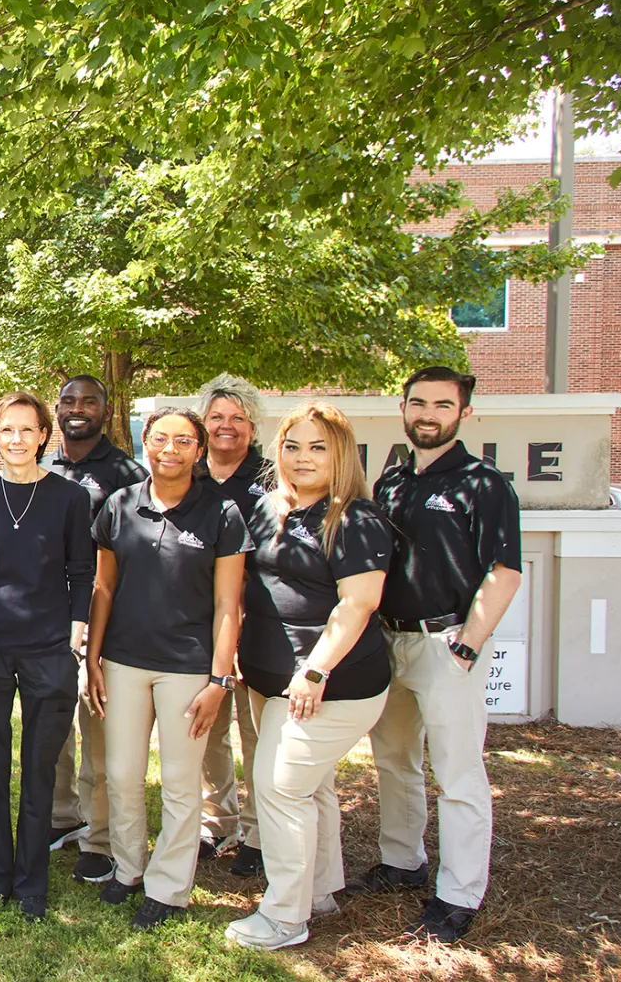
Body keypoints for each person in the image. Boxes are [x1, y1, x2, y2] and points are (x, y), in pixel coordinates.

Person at [353, 367, 522, 942]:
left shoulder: (484, 484)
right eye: (418, 402)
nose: (428, 413)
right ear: (403, 406)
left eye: (442, 405)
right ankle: (403, 861)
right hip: (388, 640)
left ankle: (459, 892)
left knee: (457, 773)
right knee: (394, 759)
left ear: (463, 413)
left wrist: (469, 644)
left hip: (446, 641)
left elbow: (504, 573)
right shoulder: (393, 481)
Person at [225, 401, 392, 951]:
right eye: (293, 446)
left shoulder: (355, 518)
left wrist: (314, 671)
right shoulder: (269, 509)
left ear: (340, 454)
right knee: (311, 789)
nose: (302, 458)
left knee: (279, 788)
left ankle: (284, 917)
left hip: (329, 685)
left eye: (318, 447)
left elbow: (359, 603)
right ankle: (319, 890)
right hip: (269, 680)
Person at [83, 408, 251, 929]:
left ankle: (169, 886)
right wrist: (93, 657)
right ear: (145, 444)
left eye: (183, 441)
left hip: (188, 669)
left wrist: (220, 680)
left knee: (180, 783)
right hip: (124, 662)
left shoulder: (221, 514)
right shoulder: (119, 505)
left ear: (199, 450)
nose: (170, 449)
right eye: (160, 439)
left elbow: (229, 606)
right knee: (122, 774)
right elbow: (104, 586)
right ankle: (129, 869)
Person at [0, 392, 94, 920]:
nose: (15, 439)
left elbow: (82, 571)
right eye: (5, 430)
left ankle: (32, 885)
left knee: (38, 769)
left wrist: (76, 636)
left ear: (43, 435)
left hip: (49, 649)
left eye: (26, 430)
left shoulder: (70, 498)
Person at [42, 374, 147, 883]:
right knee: (52, 730)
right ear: (56, 409)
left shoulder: (128, 474)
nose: (77, 408)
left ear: (107, 410)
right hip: (45, 620)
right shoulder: (41, 464)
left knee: (98, 735)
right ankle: (60, 817)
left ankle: (100, 838)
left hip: (103, 620)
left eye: (89, 400)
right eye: (68, 400)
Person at [194, 373, 275, 876]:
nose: (226, 427)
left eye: (237, 418)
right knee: (207, 731)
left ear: (252, 426)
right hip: (194, 625)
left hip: (258, 626)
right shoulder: (186, 473)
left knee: (257, 732)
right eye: (217, 417)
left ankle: (260, 832)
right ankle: (216, 821)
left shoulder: (270, 478)